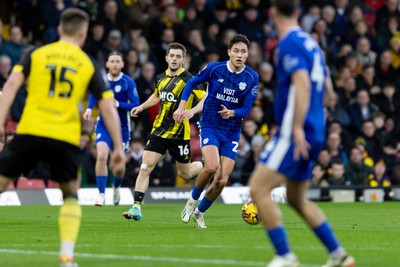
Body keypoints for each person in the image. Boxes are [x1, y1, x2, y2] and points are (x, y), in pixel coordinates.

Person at [0, 8, 125, 267]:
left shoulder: (35, 54)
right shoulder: (87, 63)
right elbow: (107, 106)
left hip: (30, 130)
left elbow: (10, 86)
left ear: (58, 29)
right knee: (70, 194)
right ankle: (66, 257)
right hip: (64, 137)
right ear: (83, 33)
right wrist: (117, 147)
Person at [248, 1, 355, 267]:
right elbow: (325, 75)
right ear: (297, 12)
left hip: (297, 129)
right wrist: (329, 96)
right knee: (295, 198)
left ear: (272, 14)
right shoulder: (310, 42)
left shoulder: (288, 43)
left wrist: (295, 127)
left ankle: (285, 255)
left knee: (258, 188)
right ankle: (338, 254)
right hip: (315, 128)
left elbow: (303, 83)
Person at [173, 34, 259, 228]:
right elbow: (191, 83)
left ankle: (199, 212)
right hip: (210, 124)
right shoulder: (214, 69)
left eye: (243, 52)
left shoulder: (252, 77)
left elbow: (246, 109)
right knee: (211, 167)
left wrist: (233, 112)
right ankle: (192, 201)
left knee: (222, 180)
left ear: (247, 55)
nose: (239, 55)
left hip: (232, 130)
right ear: (229, 52)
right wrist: (182, 106)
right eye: (236, 51)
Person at [122, 42, 206, 221]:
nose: (174, 59)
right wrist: (141, 107)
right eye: (172, 56)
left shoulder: (190, 80)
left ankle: (202, 166)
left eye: (178, 56)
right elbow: (157, 95)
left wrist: (191, 111)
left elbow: (205, 99)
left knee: (185, 173)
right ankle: (136, 206)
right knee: (145, 166)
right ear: (166, 57)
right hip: (159, 131)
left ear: (183, 59)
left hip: (179, 135)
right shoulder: (160, 77)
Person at [83, 51, 140, 206]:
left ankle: (116, 187)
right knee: (101, 156)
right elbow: (95, 95)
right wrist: (89, 109)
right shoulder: (101, 81)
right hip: (103, 125)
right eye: (112, 61)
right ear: (107, 64)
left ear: (122, 64)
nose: (114, 64)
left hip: (122, 129)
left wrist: (118, 105)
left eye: (117, 61)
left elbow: (136, 105)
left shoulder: (128, 82)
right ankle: (101, 194)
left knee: (119, 166)